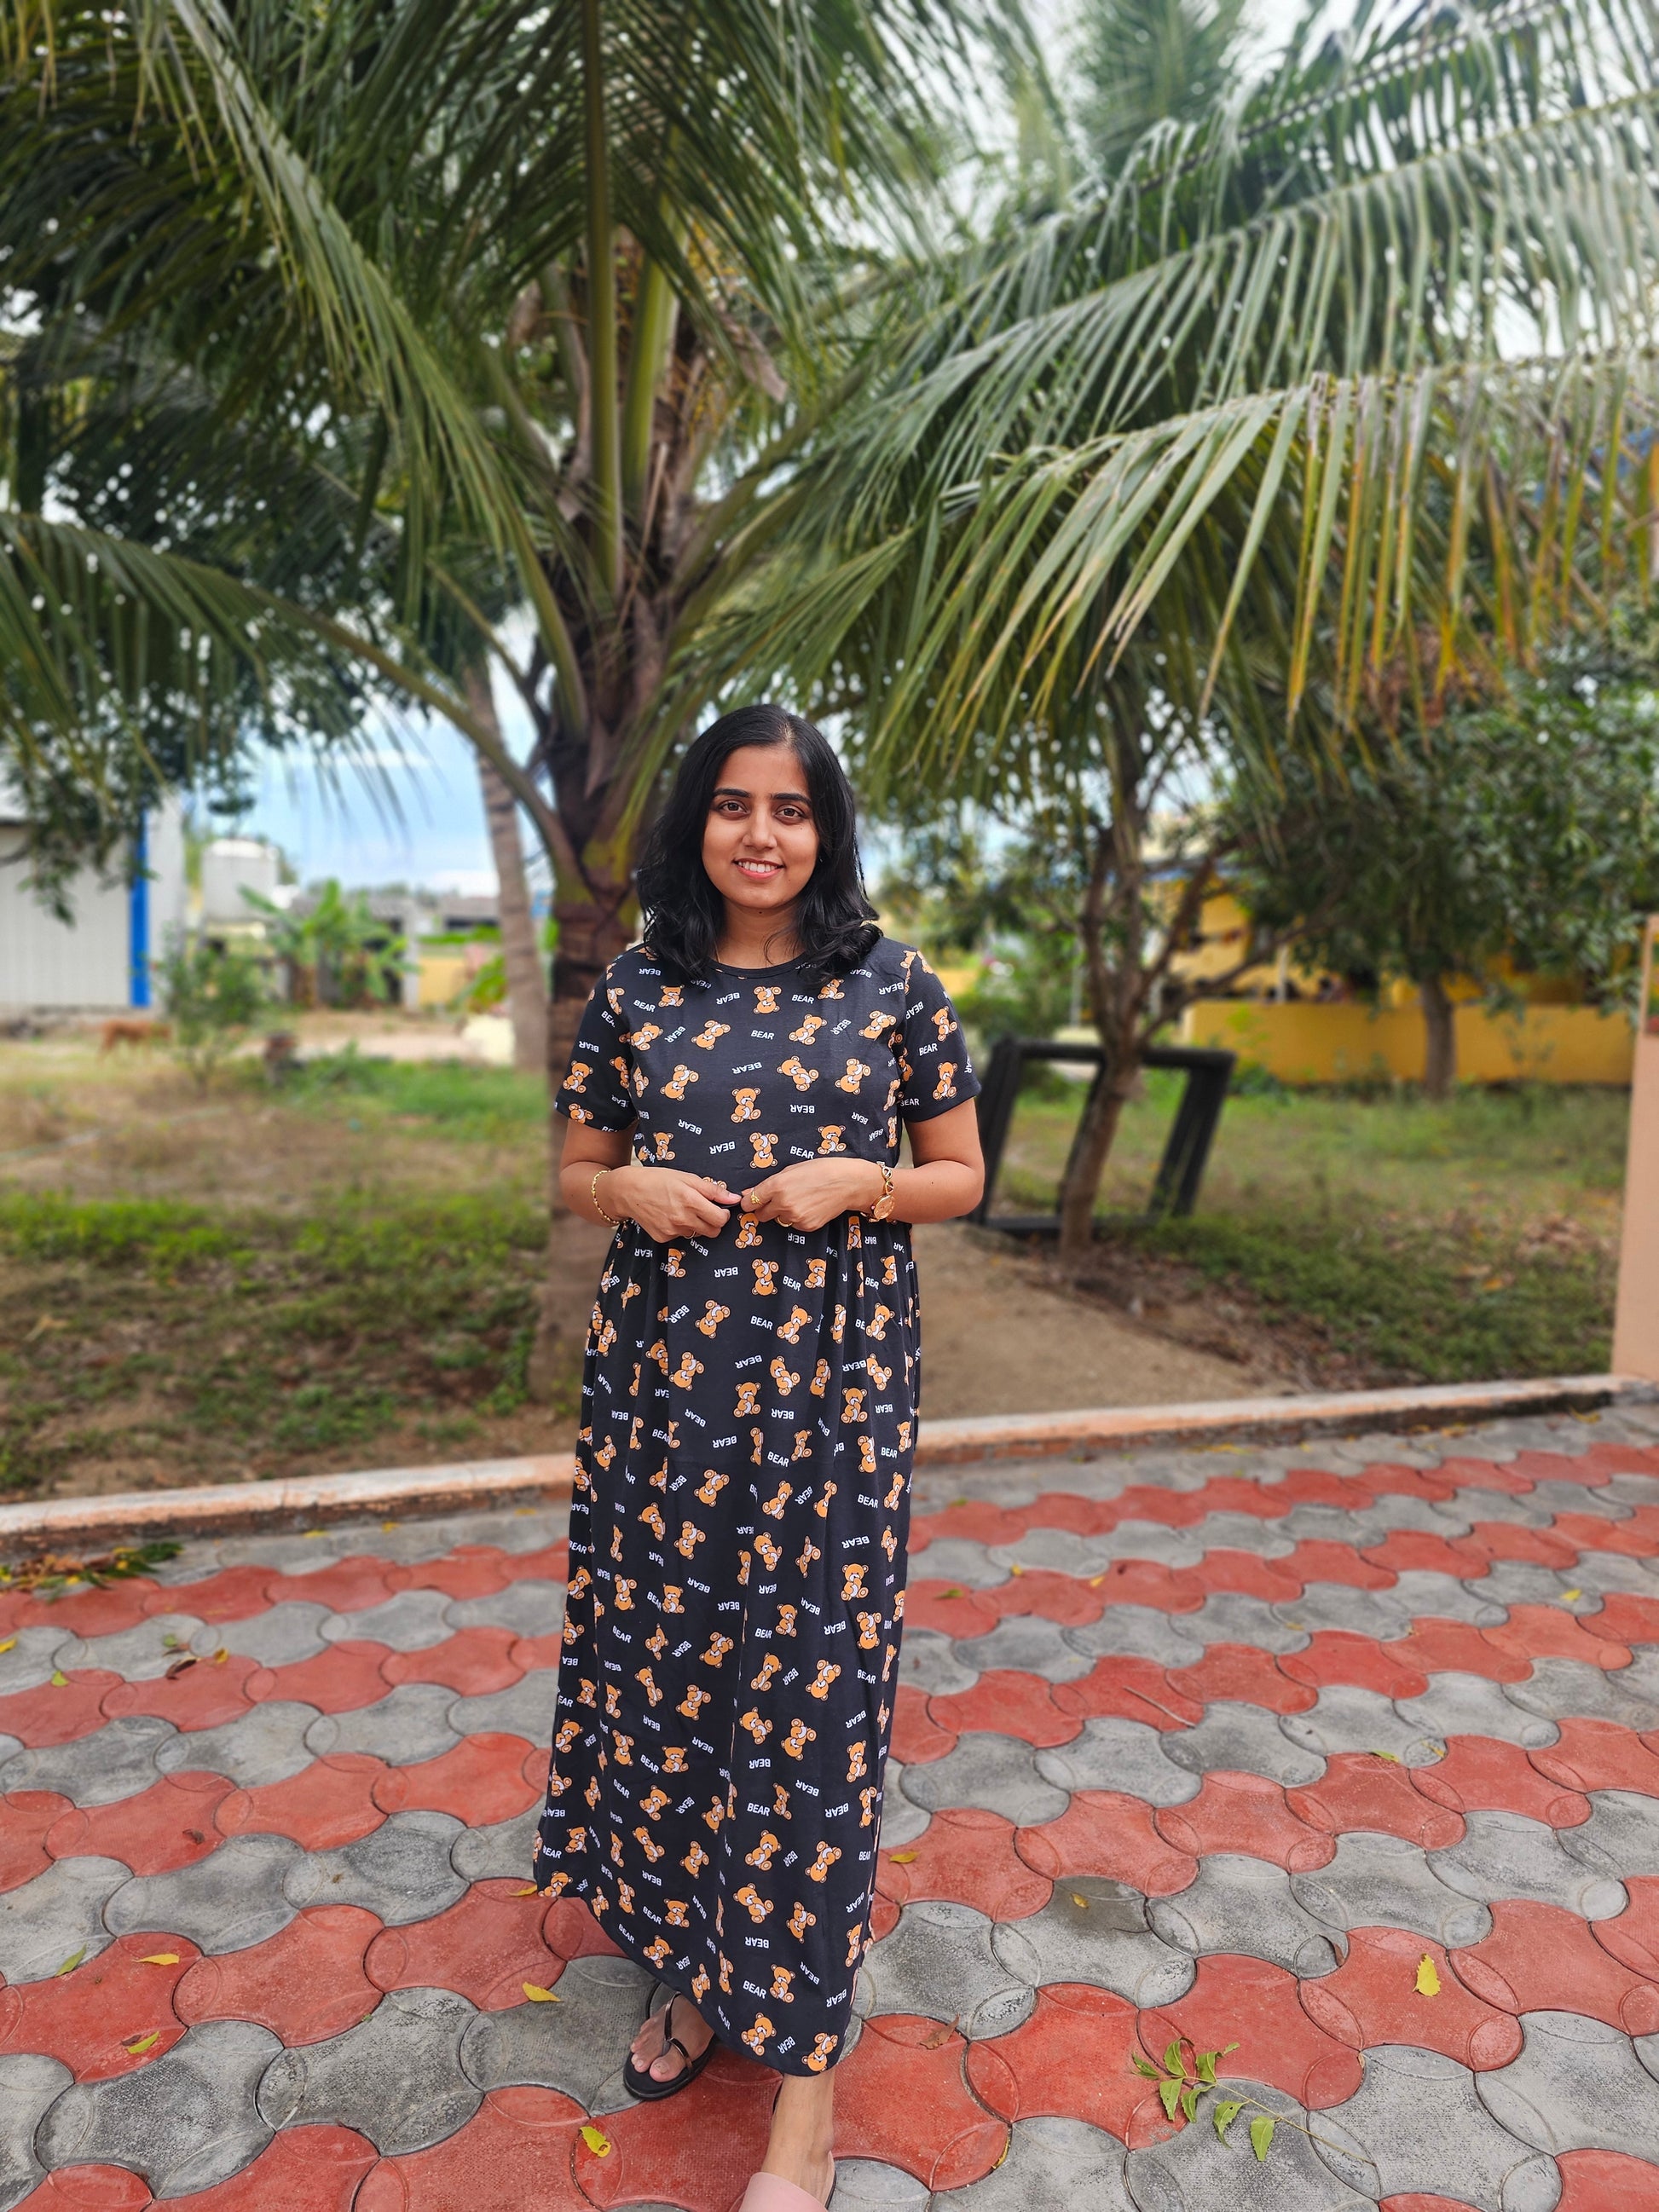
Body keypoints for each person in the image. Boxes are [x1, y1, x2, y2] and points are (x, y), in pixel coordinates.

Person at [535, 703, 985, 2212]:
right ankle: (691, 1969)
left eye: (790, 809)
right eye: (733, 804)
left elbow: (961, 1174)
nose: (760, 833)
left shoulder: (891, 982)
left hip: (829, 1409)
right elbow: (577, 1169)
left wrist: (867, 1181)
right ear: (697, 822)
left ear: (825, 830)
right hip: (663, 1400)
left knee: (810, 1708)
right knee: (670, 1681)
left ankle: (806, 2105)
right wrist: (628, 1193)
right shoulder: (639, 985)